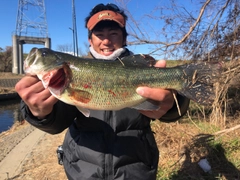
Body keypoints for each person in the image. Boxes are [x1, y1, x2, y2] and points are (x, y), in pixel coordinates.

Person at [15, 3, 190, 180]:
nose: (106, 41)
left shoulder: (143, 65)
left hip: (136, 169)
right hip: (82, 171)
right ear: (90, 40)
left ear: (124, 38)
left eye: (113, 34)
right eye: (99, 35)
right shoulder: (68, 75)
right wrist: (39, 113)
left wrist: (174, 104)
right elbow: (57, 123)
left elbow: (173, 109)